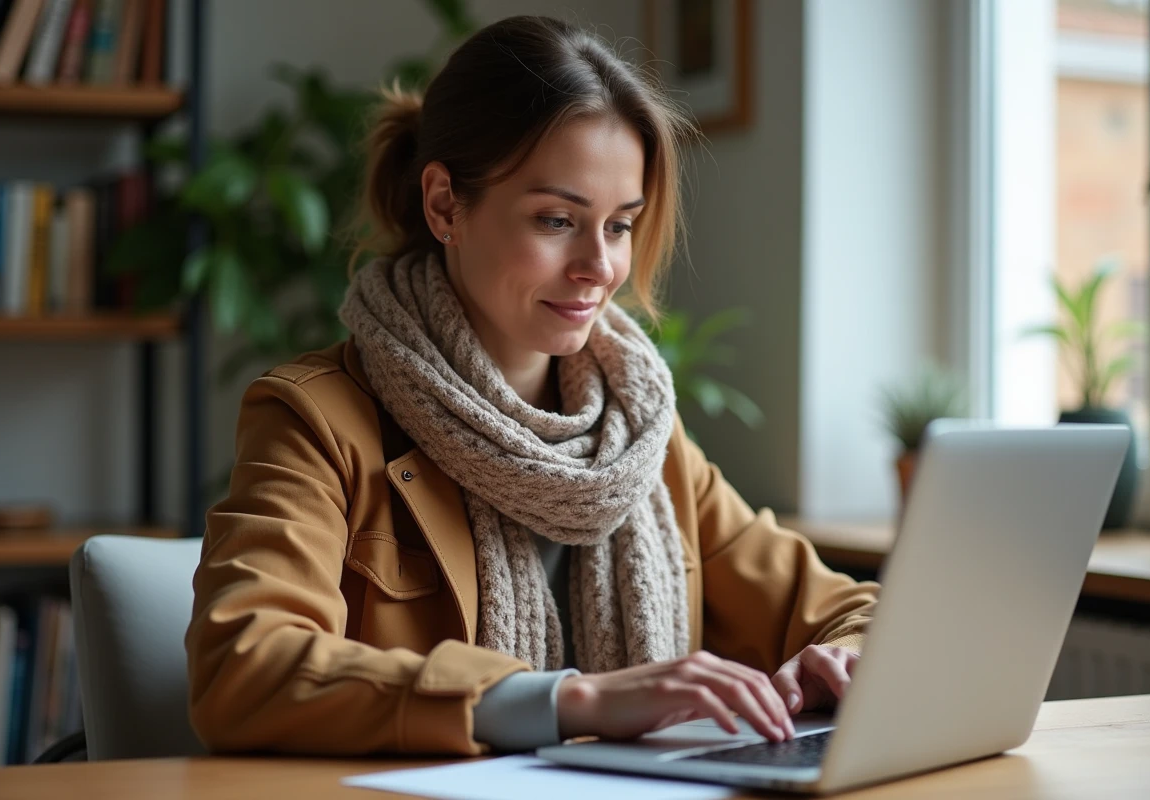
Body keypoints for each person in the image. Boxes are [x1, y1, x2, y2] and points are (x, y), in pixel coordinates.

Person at [184, 14, 880, 757]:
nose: (599, 267)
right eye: (557, 219)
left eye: (619, 226)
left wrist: (848, 655)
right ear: (445, 204)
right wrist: (569, 700)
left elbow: (845, 612)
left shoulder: (638, 431)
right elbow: (243, 666)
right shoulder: (315, 419)